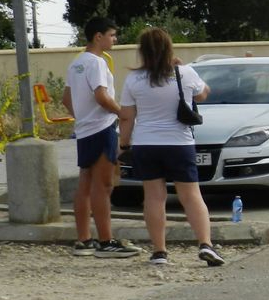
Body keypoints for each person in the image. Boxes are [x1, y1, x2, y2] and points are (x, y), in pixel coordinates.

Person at [118, 28, 225, 268]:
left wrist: (124, 144)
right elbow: (203, 94)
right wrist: (182, 68)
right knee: (191, 195)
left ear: (142, 51)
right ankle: (205, 244)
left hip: (146, 144)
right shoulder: (184, 72)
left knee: (154, 197)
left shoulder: (134, 79)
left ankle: (159, 252)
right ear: (169, 48)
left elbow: (126, 117)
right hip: (179, 143)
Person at [62, 17, 139, 259]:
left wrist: (82, 117)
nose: (115, 39)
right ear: (98, 36)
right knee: (103, 185)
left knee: (85, 183)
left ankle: (84, 239)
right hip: (101, 128)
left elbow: (66, 99)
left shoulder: (76, 63)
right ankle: (106, 241)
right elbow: (102, 96)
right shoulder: (97, 62)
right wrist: (123, 113)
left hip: (85, 129)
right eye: (112, 35)